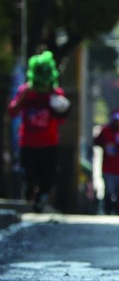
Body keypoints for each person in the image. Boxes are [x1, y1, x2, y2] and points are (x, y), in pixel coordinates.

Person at [7, 51, 71, 212]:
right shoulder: (26, 91)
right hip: (28, 142)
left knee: (48, 178)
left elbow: (62, 119)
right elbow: (12, 111)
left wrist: (59, 106)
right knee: (29, 174)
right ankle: (31, 190)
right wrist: (24, 97)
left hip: (49, 143)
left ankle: (41, 198)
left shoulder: (56, 94)